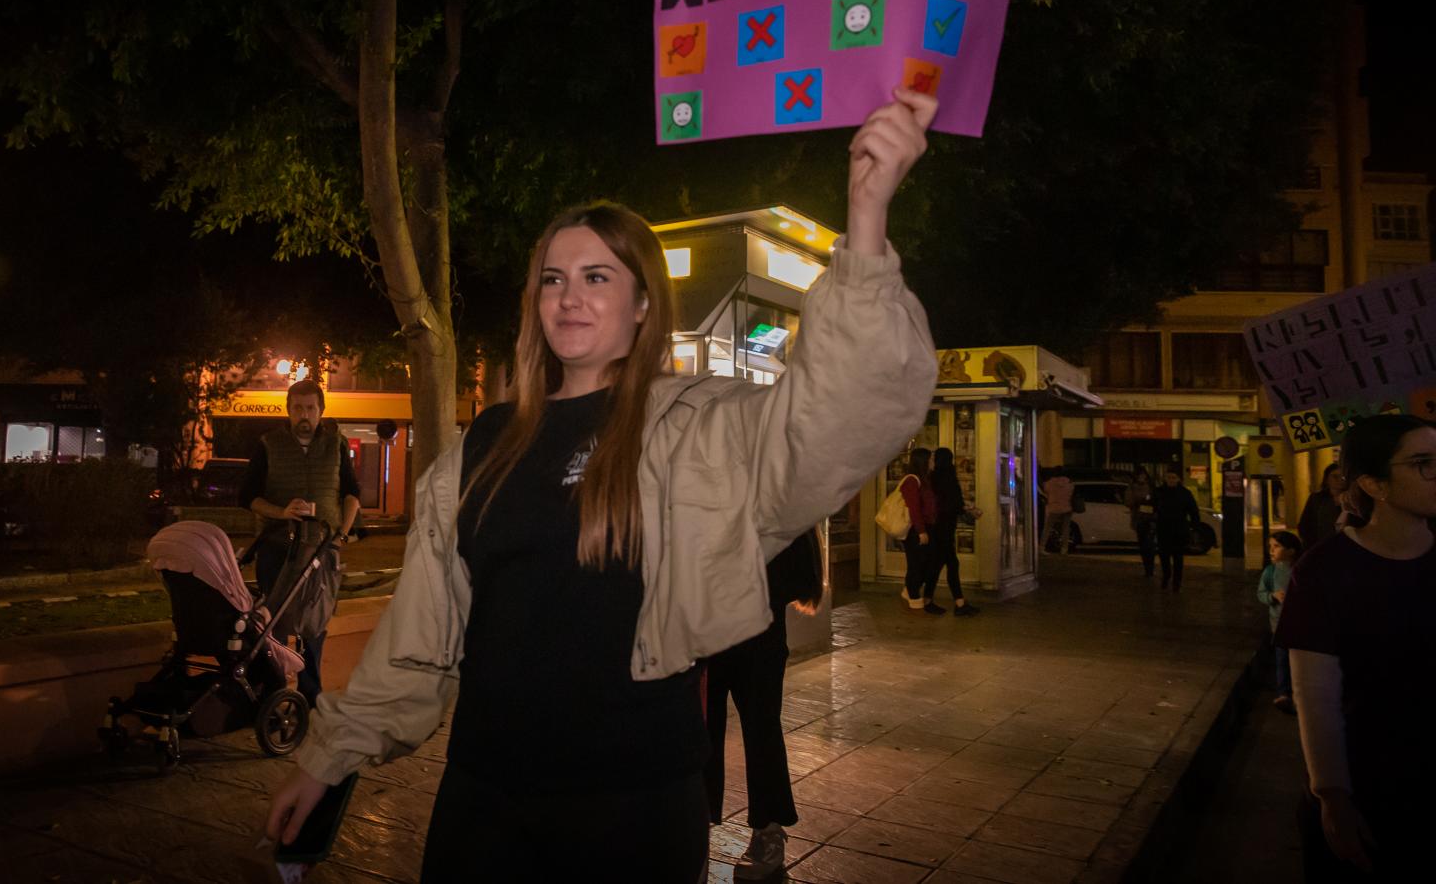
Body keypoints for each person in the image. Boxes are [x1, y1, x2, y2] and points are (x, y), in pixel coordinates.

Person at [263, 88, 941, 882]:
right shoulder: (482, 444)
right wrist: (328, 755)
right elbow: (417, 640)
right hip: (482, 804)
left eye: (596, 276)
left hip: (634, 809)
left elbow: (839, 417)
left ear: (643, 303)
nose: (569, 295)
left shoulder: (692, 427)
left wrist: (866, 223)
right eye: (553, 279)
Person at [1275, 415, 1436, 881]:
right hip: (1368, 789)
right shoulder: (1324, 572)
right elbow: (1316, 697)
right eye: (1423, 463)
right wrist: (1332, 795)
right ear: (1375, 484)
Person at [703, 527, 823, 880]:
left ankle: (769, 831)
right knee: (703, 732)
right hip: (712, 635)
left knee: (761, 732)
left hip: (757, 635)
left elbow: (795, 571)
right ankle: (697, 826)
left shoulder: (769, 496)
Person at [240, 377, 361, 707]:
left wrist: (342, 534)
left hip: (322, 549)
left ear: (321, 410)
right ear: (288, 411)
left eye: (310, 408)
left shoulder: (336, 444)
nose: (304, 415)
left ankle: (310, 695)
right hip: (278, 546)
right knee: (273, 619)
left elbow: (352, 493)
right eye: (297, 408)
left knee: (315, 621)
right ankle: (273, 691)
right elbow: (248, 496)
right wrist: (281, 512)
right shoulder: (268, 443)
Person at [922, 447, 979, 616]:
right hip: (946, 528)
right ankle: (959, 603)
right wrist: (968, 510)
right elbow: (954, 503)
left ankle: (929, 599)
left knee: (938, 563)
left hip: (935, 527)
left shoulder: (932, 477)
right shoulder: (949, 477)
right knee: (951, 564)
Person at [1257, 530, 1301, 713]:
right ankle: (1284, 693)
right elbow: (1261, 593)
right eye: (1270, 547)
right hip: (1278, 624)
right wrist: (1272, 596)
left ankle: (1297, 693)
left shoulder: (1299, 570)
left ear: (1291, 551)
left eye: (1277, 546)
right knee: (1281, 658)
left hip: (1298, 625)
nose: (1272, 551)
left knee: (1296, 660)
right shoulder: (1270, 572)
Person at [897, 447, 939, 613]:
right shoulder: (912, 481)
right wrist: (921, 531)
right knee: (917, 563)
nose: (933, 462)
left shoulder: (926, 479)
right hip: (915, 529)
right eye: (931, 459)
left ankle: (910, 591)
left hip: (926, 526)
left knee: (927, 562)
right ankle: (914, 597)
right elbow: (914, 508)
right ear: (923, 461)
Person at [1151, 468, 1197, 592]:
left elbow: (1193, 510)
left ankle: (1177, 581)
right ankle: (1166, 576)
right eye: (1169, 477)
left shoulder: (1185, 493)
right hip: (1163, 528)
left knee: (1178, 556)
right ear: (1165, 478)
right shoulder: (1159, 492)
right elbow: (1151, 507)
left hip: (1179, 529)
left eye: (1173, 477)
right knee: (1164, 555)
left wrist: (1194, 526)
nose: (1171, 480)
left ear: (1178, 479)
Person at [1296, 463, 1347, 552]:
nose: (1340, 480)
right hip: (1319, 545)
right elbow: (1305, 523)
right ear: (1327, 479)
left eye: (1343, 477)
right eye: (1335, 476)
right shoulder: (1317, 498)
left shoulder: (1354, 499)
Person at [1040, 468, 1075, 554]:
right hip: (1067, 508)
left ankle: (1042, 546)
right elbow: (1071, 494)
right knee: (1065, 529)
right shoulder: (1070, 484)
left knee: (1047, 528)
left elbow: (1044, 490)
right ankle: (1064, 548)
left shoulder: (1050, 484)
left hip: (1054, 508)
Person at [1128, 466, 1155, 577]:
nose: (1142, 477)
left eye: (1143, 475)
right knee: (1144, 545)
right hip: (1139, 518)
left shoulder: (1151, 487)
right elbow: (1128, 501)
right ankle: (1147, 568)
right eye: (1140, 475)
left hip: (1150, 518)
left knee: (1150, 545)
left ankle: (1150, 568)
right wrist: (1139, 501)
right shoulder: (1132, 487)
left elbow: (1156, 500)